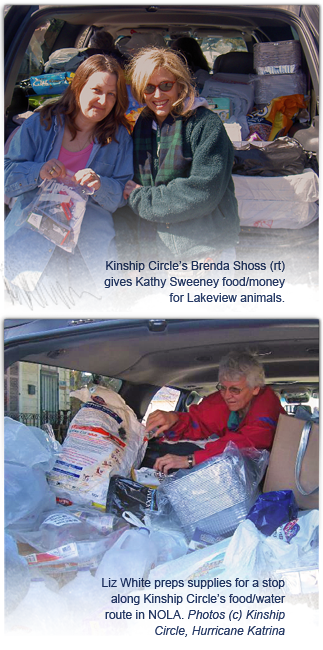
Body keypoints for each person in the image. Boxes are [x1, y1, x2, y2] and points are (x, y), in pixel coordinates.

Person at [113, 47, 240, 312]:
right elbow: (123, 200)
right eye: (148, 88)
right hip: (156, 257)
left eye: (165, 85)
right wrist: (129, 258)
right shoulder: (140, 129)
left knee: (202, 341)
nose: (157, 95)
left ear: (180, 84)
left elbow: (203, 192)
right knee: (163, 339)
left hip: (208, 253)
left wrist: (141, 197)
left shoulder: (206, 124)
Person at [4, 55, 133, 312]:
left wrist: (101, 185)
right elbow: (7, 177)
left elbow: (121, 195)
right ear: (78, 87)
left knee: (91, 317)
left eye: (111, 94)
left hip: (91, 240)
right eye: (96, 90)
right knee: (51, 312)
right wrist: (38, 171)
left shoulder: (119, 137)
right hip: (33, 233)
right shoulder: (41, 124)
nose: (103, 101)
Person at [144, 350, 286, 474]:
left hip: (270, 469)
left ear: (255, 388)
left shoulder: (266, 409)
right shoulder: (222, 399)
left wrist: (190, 459)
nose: (227, 395)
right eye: (222, 387)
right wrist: (173, 419)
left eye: (235, 390)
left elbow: (244, 443)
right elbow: (197, 421)